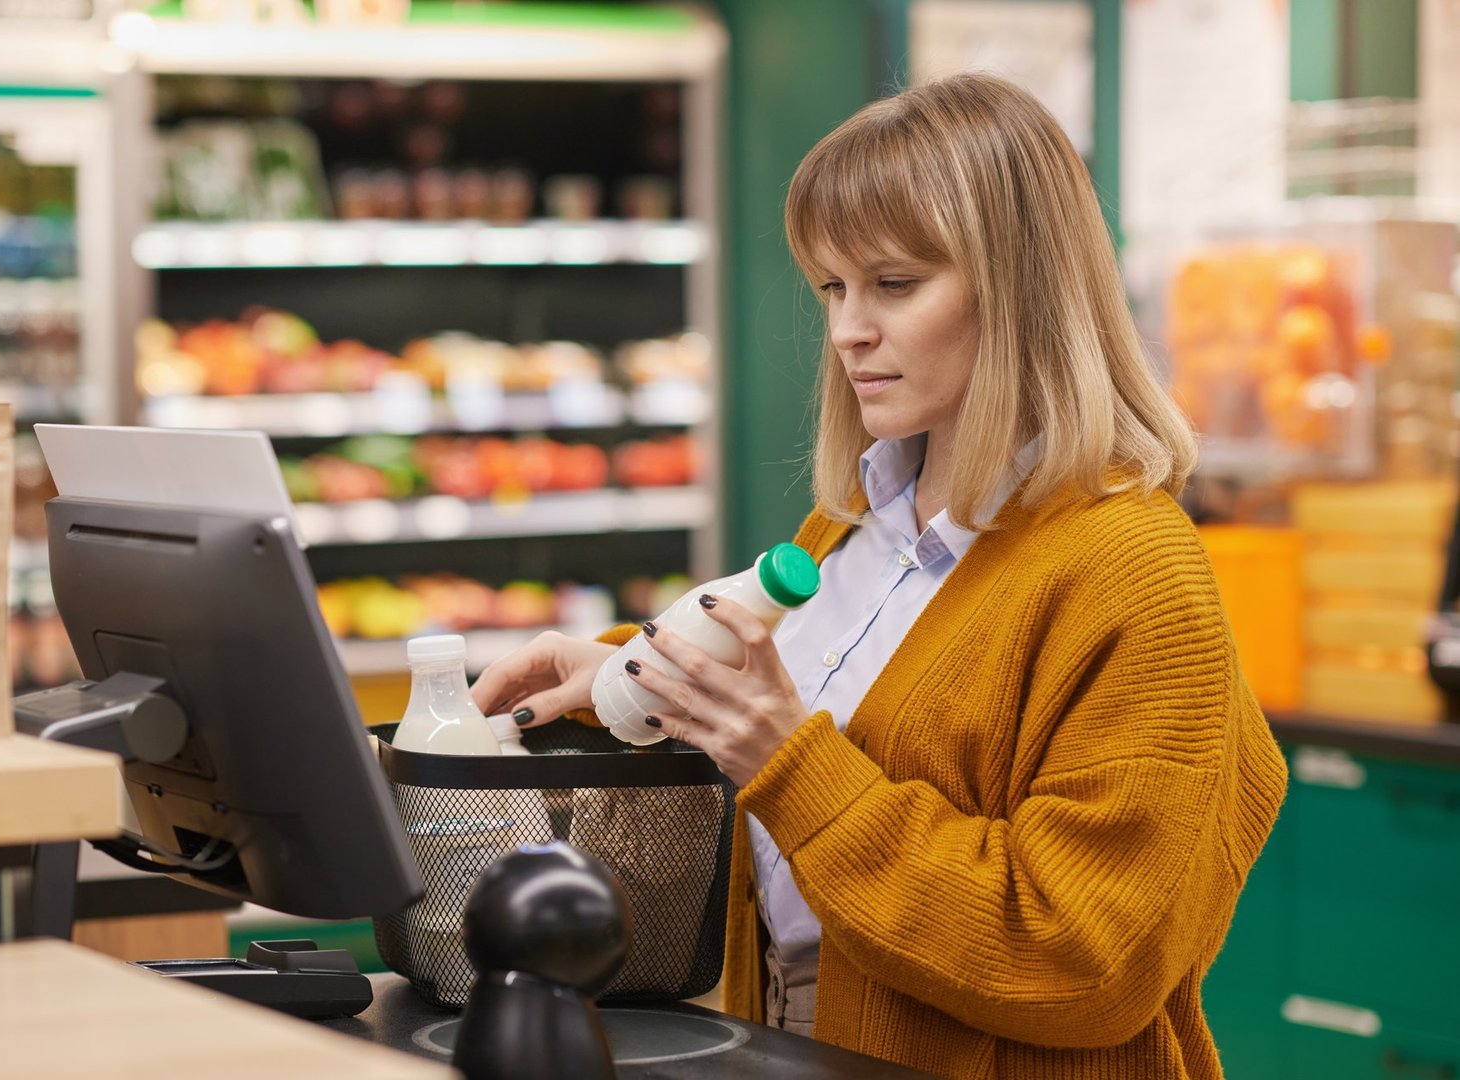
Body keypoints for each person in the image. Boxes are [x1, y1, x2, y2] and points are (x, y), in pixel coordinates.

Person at [470, 72, 1288, 1080]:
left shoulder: (1132, 574)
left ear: (1024, 287)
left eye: (895, 285)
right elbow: (813, 708)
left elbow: (1086, 959)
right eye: (832, 287)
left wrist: (791, 767)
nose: (850, 328)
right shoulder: (849, 530)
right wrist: (614, 676)